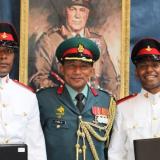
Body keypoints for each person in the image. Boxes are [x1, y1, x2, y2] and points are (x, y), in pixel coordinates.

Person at [37, 36, 116, 160]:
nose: (77, 72)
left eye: (84, 66)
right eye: (71, 66)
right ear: (61, 69)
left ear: (92, 71)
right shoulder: (43, 100)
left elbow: (113, 149)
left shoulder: (106, 102)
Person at [29, 0, 120, 99]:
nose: (77, 15)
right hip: (61, 104)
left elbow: (111, 80)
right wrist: (65, 95)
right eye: (73, 9)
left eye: (82, 10)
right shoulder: (49, 40)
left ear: (87, 14)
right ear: (65, 11)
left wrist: (103, 101)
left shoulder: (99, 41)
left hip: (94, 106)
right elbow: (38, 78)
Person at [0, 23, 47, 160]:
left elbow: (35, 147)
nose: (3, 56)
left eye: (8, 51)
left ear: (14, 55)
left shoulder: (27, 96)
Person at [108, 38, 160, 160]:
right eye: (143, 66)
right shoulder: (123, 108)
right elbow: (115, 155)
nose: (149, 70)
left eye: (155, 65)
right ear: (136, 72)